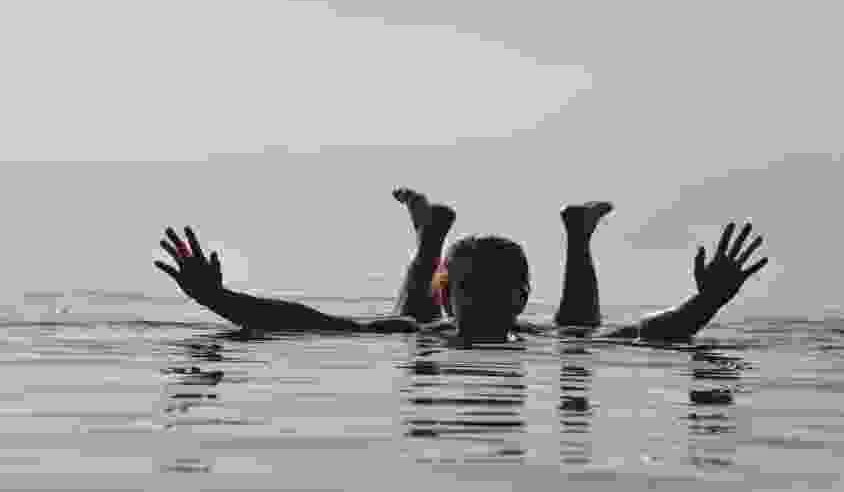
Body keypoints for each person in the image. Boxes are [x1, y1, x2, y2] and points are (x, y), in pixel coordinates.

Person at [153, 188, 768, 343]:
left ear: (519, 299)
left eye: (491, 292)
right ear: (450, 296)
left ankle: (576, 235)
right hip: (421, 334)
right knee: (406, 328)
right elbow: (304, 321)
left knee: (576, 339)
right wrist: (219, 298)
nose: (472, 303)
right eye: (463, 290)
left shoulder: (528, 337)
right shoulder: (425, 328)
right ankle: (432, 237)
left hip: (529, 334)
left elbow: (643, 336)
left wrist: (708, 302)